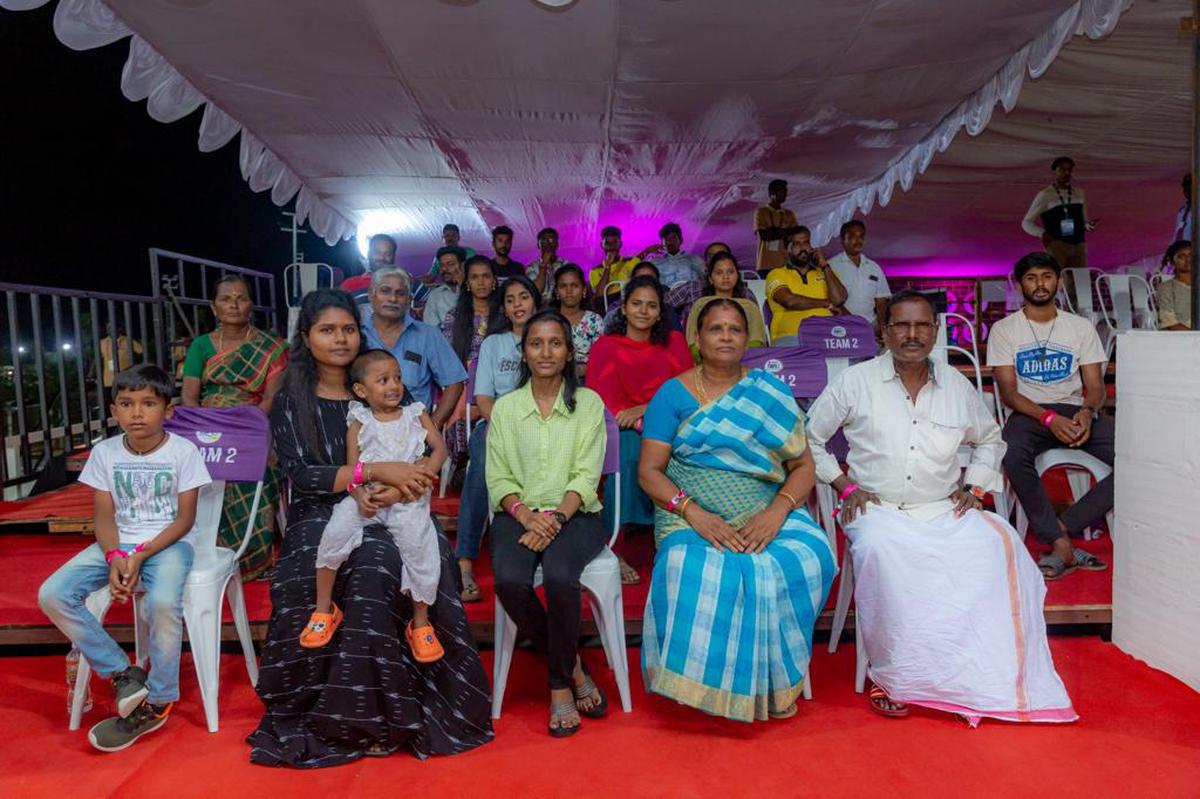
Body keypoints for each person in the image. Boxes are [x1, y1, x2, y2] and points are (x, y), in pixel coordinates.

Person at [248, 289, 492, 766]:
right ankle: (349, 719)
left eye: (347, 329)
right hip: (322, 510)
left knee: (405, 556)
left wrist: (399, 486)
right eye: (327, 330)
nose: (340, 339)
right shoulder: (292, 399)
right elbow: (302, 475)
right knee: (366, 562)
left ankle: (403, 712)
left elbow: (424, 456)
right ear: (306, 337)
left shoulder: (387, 390)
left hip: (396, 503)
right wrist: (370, 476)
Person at [807, 290, 1076, 724]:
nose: (911, 335)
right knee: (880, 552)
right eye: (901, 325)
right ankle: (890, 674)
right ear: (884, 331)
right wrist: (842, 484)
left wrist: (977, 487)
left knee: (998, 543)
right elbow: (810, 438)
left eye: (921, 326)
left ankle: (967, 671)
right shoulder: (854, 382)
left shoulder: (955, 383)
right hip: (878, 508)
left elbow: (990, 439)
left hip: (940, 507)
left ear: (935, 331)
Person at [638, 299, 835, 721]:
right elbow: (650, 473)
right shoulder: (671, 395)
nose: (725, 336)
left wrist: (777, 512)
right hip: (689, 515)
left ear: (748, 339)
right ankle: (707, 686)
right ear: (697, 338)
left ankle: (771, 684)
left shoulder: (770, 392)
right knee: (691, 564)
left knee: (810, 554)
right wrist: (695, 513)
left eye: (734, 329)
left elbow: (803, 468)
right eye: (715, 329)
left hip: (766, 510)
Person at [39, 364, 211, 751]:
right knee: (53, 594)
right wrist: (116, 554)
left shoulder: (184, 452)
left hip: (168, 544)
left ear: (168, 410)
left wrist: (139, 555)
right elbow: (103, 514)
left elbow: (185, 520)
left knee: (163, 603)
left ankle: (159, 698)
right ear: (114, 410)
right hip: (117, 544)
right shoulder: (105, 452)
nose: (137, 413)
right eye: (126, 403)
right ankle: (122, 673)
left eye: (148, 403)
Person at [487, 309, 610, 737]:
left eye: (555, 343)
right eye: (536, 343)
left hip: (576, 514)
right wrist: (525, 516)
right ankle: (574, 665)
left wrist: (554, 519)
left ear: (569, 350)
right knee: (508, 580)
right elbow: (497, 476)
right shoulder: (506, 408)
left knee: (560, 576)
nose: (545, 351)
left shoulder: (589, 403)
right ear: (524, 351)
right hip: (517, 512)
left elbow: (586, 474)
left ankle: (559, 685)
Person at [300, 349, 448, 662]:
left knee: (421, 549)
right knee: (334, 533)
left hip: (409, 496)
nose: (394, 385)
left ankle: (420, 623)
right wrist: (358, 496)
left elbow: (439, 450)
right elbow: (353, 470)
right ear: (361, 391)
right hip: (369, 496)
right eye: (383, 380)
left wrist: (419, 480)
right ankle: (324, 609)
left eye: (397, 378)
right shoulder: (359, 420)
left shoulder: (415, 413)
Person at [988, 253, 1112, 580]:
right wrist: (1047, 419)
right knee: (1012, 455)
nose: (1039, 283)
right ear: (1020, 284)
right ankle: (1061, 543)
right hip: (1030, 414)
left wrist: (1087, 412)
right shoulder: (1004, 330)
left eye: (1046, 276)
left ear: (1057, 281)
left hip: (1076, 411)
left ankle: (1062, 527)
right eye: (1031, 277)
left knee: (1137, 460)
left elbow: (1096, 387)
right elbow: (1010, 393)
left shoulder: (1080, 327)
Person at [181, 274, 287, 579]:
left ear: (251, 305)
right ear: (214, 307)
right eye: (226, 299)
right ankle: (205, 554)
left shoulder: (273, 347)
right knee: (190, 469)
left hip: (252, 426)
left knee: (260, 468)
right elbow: (189, 397)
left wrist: (243, 426)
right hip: (206, 425)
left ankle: (253, 560)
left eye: (240, 298)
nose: (234, 304)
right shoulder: (201, 345)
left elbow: (270, 400)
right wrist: (209, 427)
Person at [589, 275, 693, 583]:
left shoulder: (673, 342)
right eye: (636, 304)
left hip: (671, 422)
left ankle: (674, 539)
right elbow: (603, 399)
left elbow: (687, 391)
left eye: (652, 306)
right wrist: (634, 418)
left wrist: (645, 409)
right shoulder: (606, 346)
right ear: (623, 309)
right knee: (629, 450)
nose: (644, 311)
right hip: (623, 427)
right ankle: (614, 546)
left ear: (661, 312)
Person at [455, 275, 543, 602]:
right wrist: (504, 426)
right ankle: (464, 561)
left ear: (535, 301)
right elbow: (484, 398)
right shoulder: (493, 344)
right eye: (510, 299)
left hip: (543, 425)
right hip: (498, 423)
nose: (517, 304)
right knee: (481, 461)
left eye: (523, 297)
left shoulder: (548, 336)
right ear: (504, 308)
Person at [359, 266, 466, 425]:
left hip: (413, 433)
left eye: (400, 293)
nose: (393, 299)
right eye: (385, 291)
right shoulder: (357, 334)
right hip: (364, 431)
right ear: (371, 295)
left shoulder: (428, 335)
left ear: (409, 300)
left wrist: (431, 428)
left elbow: (455, 383)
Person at [766, 226, 848, 343]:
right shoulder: (777, 274)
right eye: (797, 244)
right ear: (786, 249)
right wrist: (826, 303)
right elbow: (790, 301)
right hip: (792, 338)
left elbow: (839, 299)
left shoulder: (826, 273)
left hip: (827, 338)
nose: (803, 248)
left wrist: (825, 266)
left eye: (806, 243)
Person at [1022, 156, 1097, 270]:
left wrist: (1088, 225)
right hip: (1057, 244)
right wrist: (1042, 233)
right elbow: (1026, 222)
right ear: (1055, 171)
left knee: (1080, 280)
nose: (1066, 172)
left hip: (1079, 244)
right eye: (1062, 169)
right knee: (1058, 278)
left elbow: (1084, 220)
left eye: (1069, 169)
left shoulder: (1079, 193)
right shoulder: (1045, 194)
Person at [677, 250, 763, 339]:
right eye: (719, 273)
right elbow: (692, 342)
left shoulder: (749, 306)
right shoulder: (700, 305)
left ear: (737, 276)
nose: (726, 276)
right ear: (710, 279)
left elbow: (756, 342)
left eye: (730, 272)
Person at [828, 219, 891, 333]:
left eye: (861, 236)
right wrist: (852, 321)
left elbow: (881, 301)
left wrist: (882, 327)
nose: (858, 240)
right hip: (842, 325)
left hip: (871, 325)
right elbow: (831, 301)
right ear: (842, 240)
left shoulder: (873, 267)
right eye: (852, 236)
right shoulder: (831, 266)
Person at [342, 233, 429, 307]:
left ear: (394, 257)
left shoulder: (406, 279)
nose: (382, 258)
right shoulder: (351, 284)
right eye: (377, 252)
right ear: (369, 254)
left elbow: (433, 300)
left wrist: (422, 311)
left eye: (387, 254)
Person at [550, 263, 604, 380]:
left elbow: (601, 359)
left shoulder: (594, 320)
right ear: (557, 291)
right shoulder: (548, 320)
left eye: (574, 285)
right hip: (552, 377)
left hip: (588, 379)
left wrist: (583, 369)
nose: (569, 291)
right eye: (563, 286)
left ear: (584, 290)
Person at [588, 225, 655, 307]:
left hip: (632, 300)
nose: (611, 247)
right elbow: (599, 295)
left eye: (615, 242)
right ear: (602, 246)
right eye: (607, 243)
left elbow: (640, 257)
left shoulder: (630, 262)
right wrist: (607, 267)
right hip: (610, 304)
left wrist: (647, 251)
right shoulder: (595, 271)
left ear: (620, 244)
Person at [754, 178, 798, 275]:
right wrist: (785, 232)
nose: (786, 194)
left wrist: (773, 231)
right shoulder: (761, 212)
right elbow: (764, 235)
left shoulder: (789, 214)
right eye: (783, 191)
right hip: (765, 264)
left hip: (784, 264)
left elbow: (795, 234)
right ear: (773, 193)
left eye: (786, 191)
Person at [649, 221, 705, 287]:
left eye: (673, 238)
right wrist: (647, 251)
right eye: (665, 239)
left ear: (681, 240)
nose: (669, 242)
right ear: (662, 243)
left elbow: (707, 277)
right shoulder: (655, 262)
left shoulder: (693, 259)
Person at [421, 245, 466, 328]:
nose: (444, 269)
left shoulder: (476, 291)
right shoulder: (435, 295)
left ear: (463, 265)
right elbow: (431, 329)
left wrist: (463, 286)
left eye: (450, 264)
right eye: (442, 265)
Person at [1157, 239, 1193, 330]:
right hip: (1179, 339)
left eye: (1191, 255)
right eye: (1181, 256)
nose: (1188, 259)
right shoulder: (1166, 288)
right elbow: (1170, 324)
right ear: (1172, 262)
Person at [528, 227, 572, 299]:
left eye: (551, 240)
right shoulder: (531, 268)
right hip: (541, 308)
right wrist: (544, 264)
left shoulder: (566, 265)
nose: (548, 243)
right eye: (544, 240)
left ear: (557, 244)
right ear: (538, 245)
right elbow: (536, 291)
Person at [98, 327, 144, 395]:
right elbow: (98, 359)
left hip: (126, 379)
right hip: (109, 380)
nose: (109, 329)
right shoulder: (102, 343)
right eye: (108, 327)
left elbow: (142, 351)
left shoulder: (128, 340)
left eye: (111, 327)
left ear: (119, 329)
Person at [1172, 173, 1192, 242]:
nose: (1186, 189)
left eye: (1189, 186)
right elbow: (1176, 235)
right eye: (1185, 187)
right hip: (1182, 249)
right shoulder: (1182, 211)